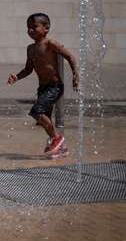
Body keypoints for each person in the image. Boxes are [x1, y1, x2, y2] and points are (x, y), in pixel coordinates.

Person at [7, 13, 78, 156]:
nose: (30, 30)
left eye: (34, 27)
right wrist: (17, 77)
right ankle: (61, 148)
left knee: (36, 111)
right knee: (43, 119)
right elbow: (28, 69)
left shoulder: (50, 44)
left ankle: (56, 138)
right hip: (43, 88)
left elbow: (69, 56)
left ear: (46, 28)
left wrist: (76, 74)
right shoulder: (30, 49)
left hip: (54, 86)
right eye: (28, 27)